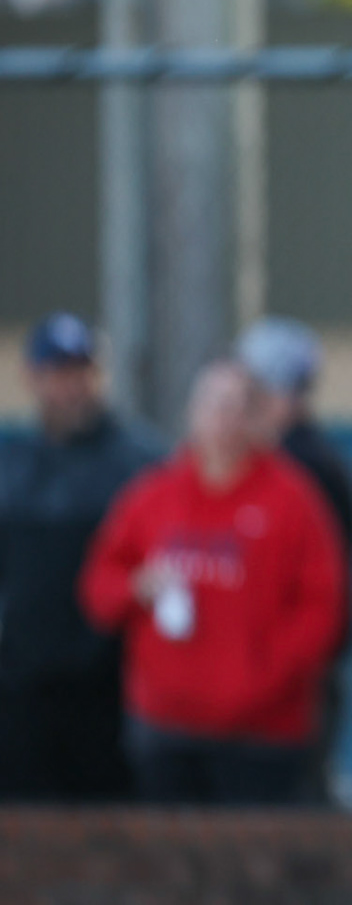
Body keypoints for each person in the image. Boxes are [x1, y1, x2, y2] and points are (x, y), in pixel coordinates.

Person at [80, 361, 347, 805]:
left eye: (235, 407)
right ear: (190, 413)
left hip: (262, 732)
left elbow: (322, 609)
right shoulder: (153, 496)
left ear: (259, 418)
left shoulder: (293, 501)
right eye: (210, 404)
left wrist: (261, 679)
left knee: (253, 864)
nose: (221, 419)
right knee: (169, 860)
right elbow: (99, 589)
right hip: (167, 724)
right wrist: (137, 588)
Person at [0, 314, 161, 801]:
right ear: (33, 377)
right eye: (56, 372)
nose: (68, 387)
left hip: (107, 682)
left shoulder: (140, 463)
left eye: (80, 371)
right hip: (23, 680)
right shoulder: (14, 465)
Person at [235, 316, 352, 801]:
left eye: (254, 392)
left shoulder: (307, 471)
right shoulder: (297, 462)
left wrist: (268, 668)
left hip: (294, 683)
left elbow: (320, 599)